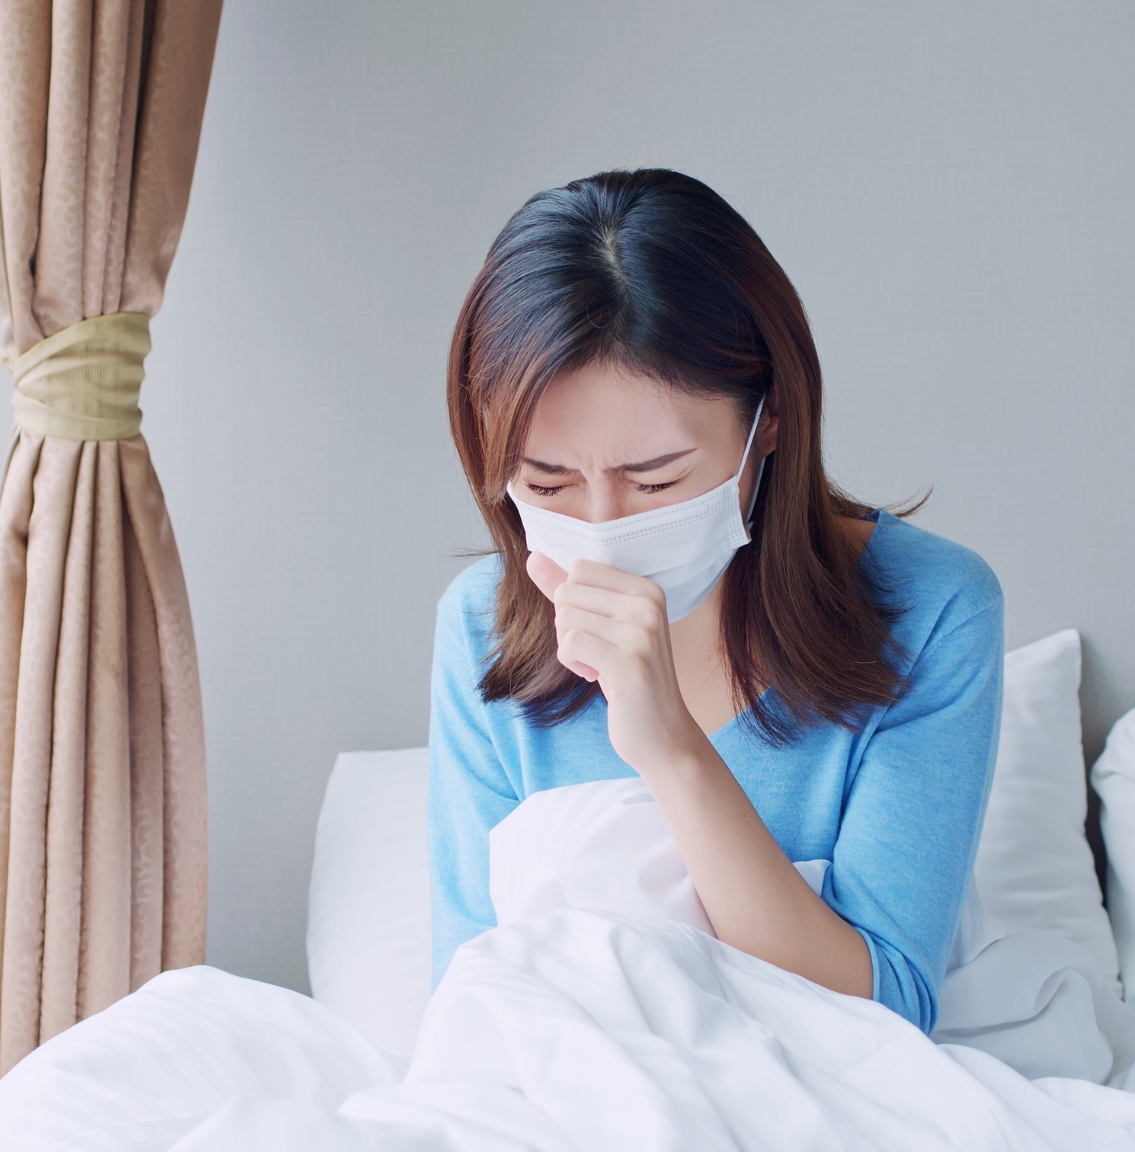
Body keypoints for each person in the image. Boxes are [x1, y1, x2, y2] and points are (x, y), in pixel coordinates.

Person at [429, 168, 1005, 1032]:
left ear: (769, 420)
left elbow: (887, 1014)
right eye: (547, 482)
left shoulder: (932, 610)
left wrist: (671, 750)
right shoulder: (481, 625)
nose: (601, 529)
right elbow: (471, 1003)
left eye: (656, 480)